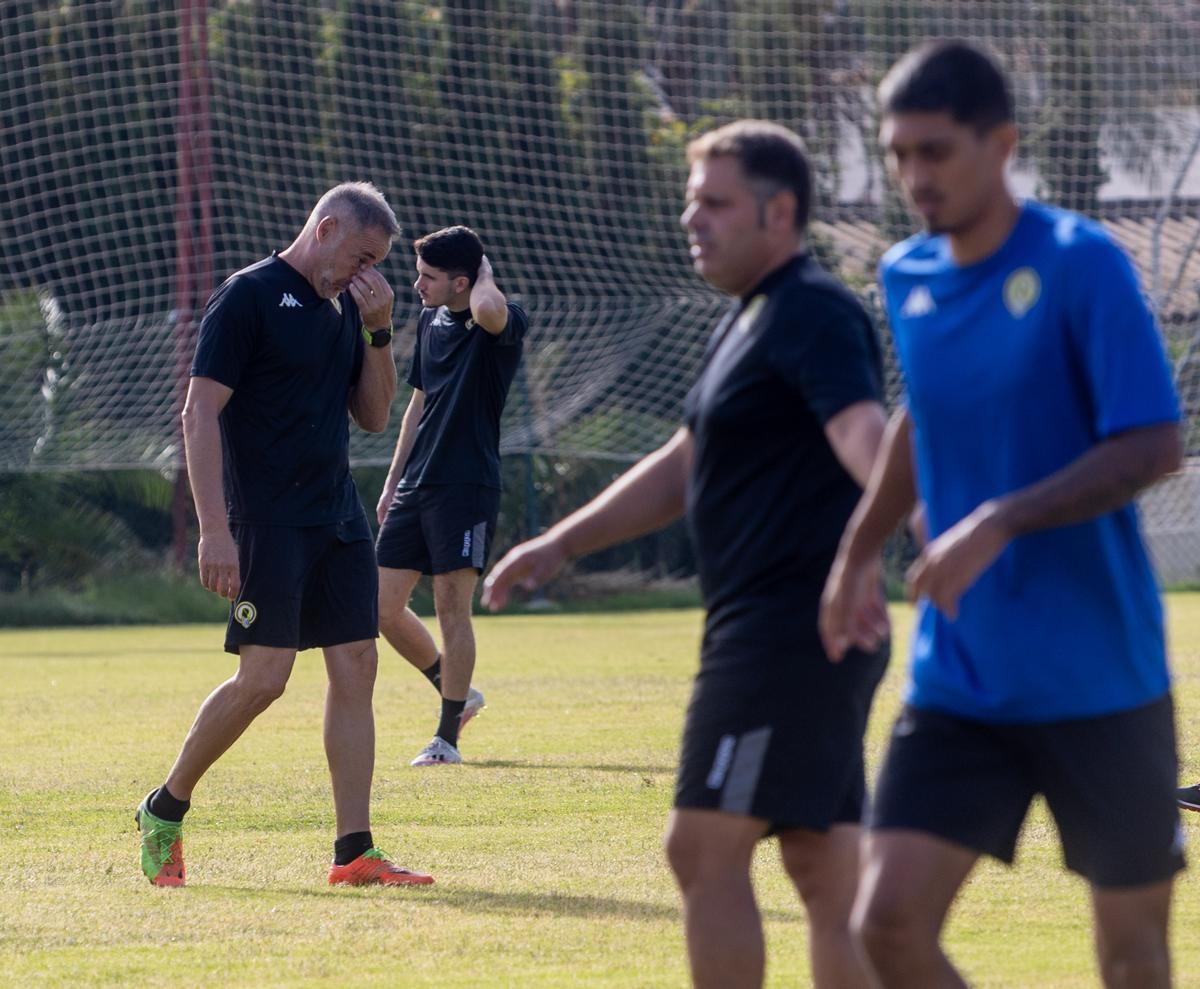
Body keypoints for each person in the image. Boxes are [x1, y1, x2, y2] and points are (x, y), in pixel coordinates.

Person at [483, 121, 888, 989]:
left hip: (787, 629)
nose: (688, 217)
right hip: (783, 628)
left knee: (702, 847)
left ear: (780, 212)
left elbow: (866, 436)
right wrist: (558, 544)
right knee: (822, 867)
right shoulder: (751, 318)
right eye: (689, 199)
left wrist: (905, 535)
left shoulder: (813, 309)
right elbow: (686, 462)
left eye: (713, 200)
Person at [819, 40, 1185, 989]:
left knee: (1133, 959)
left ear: (1002, 143)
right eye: (899, 154)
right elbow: (920, 417)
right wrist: (856, 552)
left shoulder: (1082, 264)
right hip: (963, 679)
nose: (913, 177)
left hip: (1101, 676)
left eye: (935, 152)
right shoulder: (906, 274)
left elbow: (1153, 445)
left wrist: (996, 520)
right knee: (885, 924)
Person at [135, 182, 434, 889]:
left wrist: (380, 330)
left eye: (375, 264)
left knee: (357, 662)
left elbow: (372, 415)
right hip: (266, 521)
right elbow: (199, 412)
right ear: (325, 229)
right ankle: (164, 806)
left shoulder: (344, 312)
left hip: (337, 516)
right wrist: (214, 527)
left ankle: (353, 851)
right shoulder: (247, 297)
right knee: (264, 679)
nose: (366, 275)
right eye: (362, 257)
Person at [375, 226, 528, 766]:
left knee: (449, 607)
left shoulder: (502, 318)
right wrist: (393, 482)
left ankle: (447, 739)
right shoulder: (428, 319)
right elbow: (417, 406)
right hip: (417, 484)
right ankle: (455, 688)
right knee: (381, 607)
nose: (416, 284)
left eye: (429, 277)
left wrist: (484, 274)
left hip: (467, 485)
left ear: (463, 281)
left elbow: (487, 311)